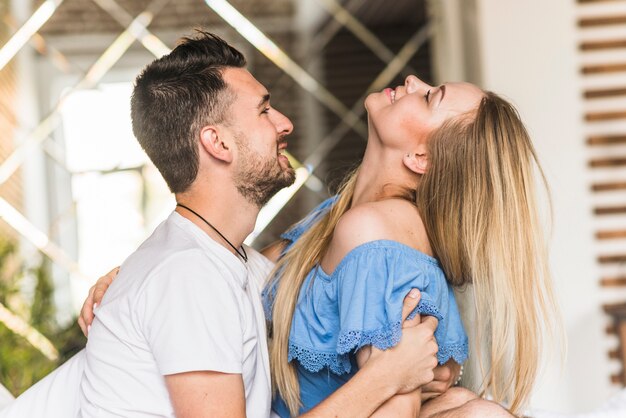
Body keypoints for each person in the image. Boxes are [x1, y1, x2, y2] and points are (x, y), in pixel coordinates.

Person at [80, 45, 560, 418]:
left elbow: (397, 406)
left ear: (422, 159)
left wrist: (394, 375)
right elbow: (244, 270)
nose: (413, 79)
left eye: (431, 96)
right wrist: (134, 286)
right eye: (265, 111)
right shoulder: (338, 218)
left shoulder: (375, 233)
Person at [0, 31, 445, 418]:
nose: (284, 124)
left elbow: (308, 280)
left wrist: (437, 370)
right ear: (217, 143)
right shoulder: (189, 275)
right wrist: (386, 377)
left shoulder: (230, 264)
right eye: (264, 111)